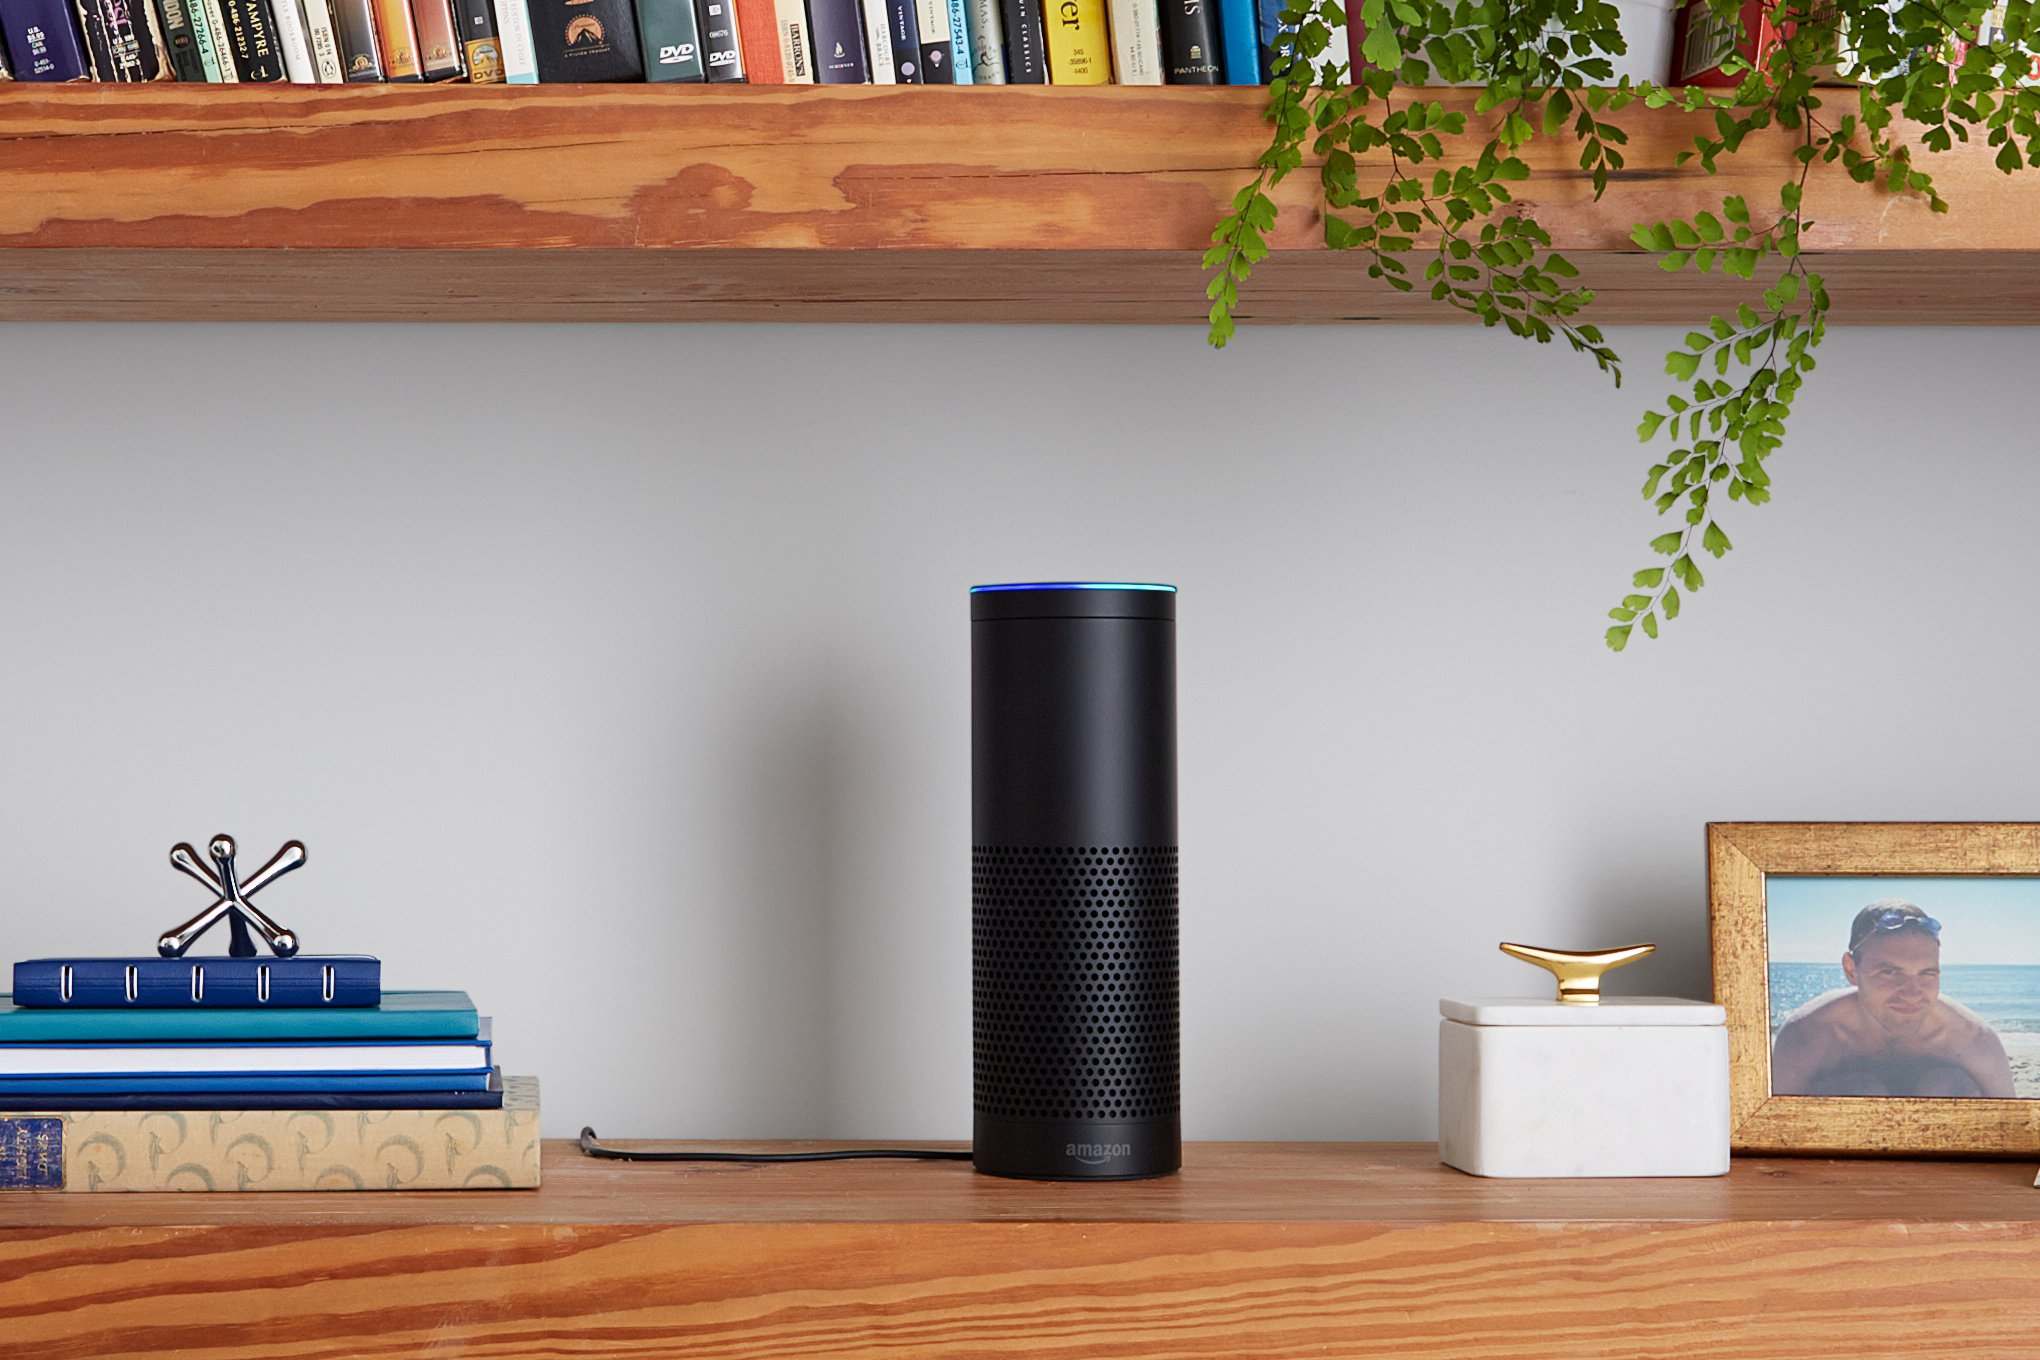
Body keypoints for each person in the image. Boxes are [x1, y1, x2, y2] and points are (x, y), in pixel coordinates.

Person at [1771, 899, 2014, 1098]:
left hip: (1942, 1153)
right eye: (1889, 972)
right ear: (1851, 969)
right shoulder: (1807, 1035)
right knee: (1857, 1092)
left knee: (1947, 1087)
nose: (1911, 993)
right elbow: (1772, 1137)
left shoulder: (1972, 1039)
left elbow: (2011, 1138)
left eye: (1927, 973)